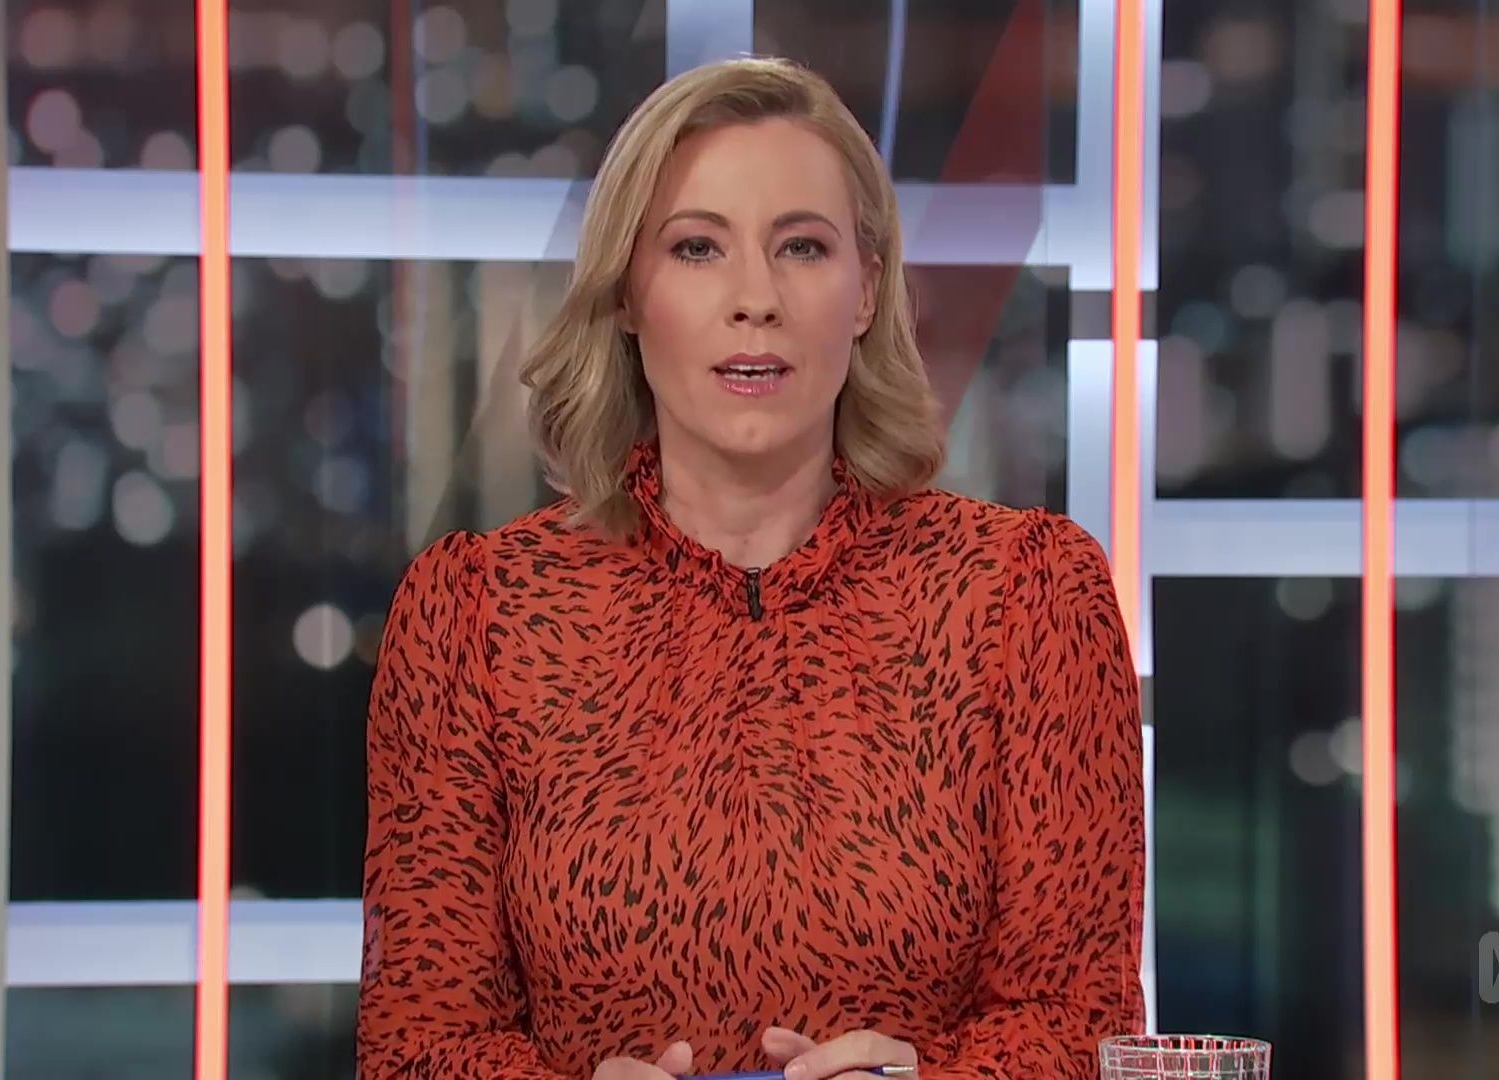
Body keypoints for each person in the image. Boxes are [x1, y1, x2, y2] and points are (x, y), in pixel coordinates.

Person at [358, 57, 1144, 1080]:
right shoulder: (476, 615)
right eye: (697, 248)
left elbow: (1083, 1023)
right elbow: (416, 1047)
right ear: (627, 294)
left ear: (867, 291)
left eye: (802, 247)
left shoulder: (1027, 597)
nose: (755, 300)